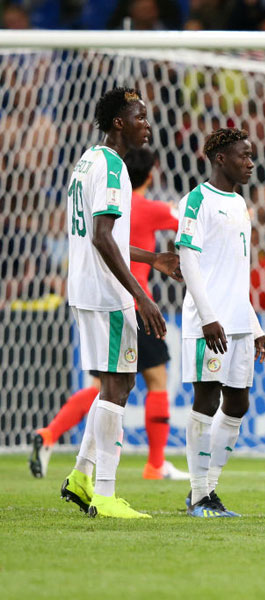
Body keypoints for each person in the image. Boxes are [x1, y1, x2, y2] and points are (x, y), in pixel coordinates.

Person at [30, 148, 189, 482]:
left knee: (103, 383)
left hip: (100, 296)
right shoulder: (150, 207)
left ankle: (49, 434)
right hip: (131, 302)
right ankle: (154, 465)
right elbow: (187, 220)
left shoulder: (113, 201)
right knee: (152, 380)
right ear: (151, 174)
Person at [60, 87, 179, 519]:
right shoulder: (113, 167)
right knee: (118, 385)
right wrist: (140, 294)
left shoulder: (87, 160)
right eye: (140, 117)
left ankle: (80, 477)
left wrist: (154, 260)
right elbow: (102, 236)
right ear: (118, 123)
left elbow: (103, 236)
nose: (147, 124)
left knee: (119, 383)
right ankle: (105, 494)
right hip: (109, 292)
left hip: (88, 286)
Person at [176, 128, 265, 518]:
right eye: (243, 156)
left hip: (238, 322)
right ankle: (199, 494)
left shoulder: (240, 205)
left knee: (238, 402)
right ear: (220, 159)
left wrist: (255, 324)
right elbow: (187, 260)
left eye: (251, 156)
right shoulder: (196, 200)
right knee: (207, 399)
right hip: (208, 321)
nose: (250, 163)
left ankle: (209, 489)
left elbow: (236, 273)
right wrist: (209, 316)